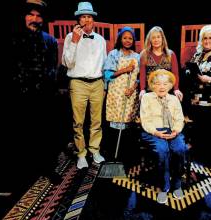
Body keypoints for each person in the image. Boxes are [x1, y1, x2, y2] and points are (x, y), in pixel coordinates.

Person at [11, 0, 60, 185]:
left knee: (45, 134)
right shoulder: (14, 38)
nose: (35, 19)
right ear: (24, 17)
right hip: (20, 95)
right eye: (31, 15)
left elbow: (52, 67)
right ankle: (24, 171)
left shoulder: (50, 40)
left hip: (44, 96)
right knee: (23, 134)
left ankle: (47, 168)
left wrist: (48, 89)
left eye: (38, 16)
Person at [62, 2, 107, 169]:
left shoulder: (101, 40)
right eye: (83, 16)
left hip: (97, 83)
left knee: (96, 121)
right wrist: (74, 41)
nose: (87, 20)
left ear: (93, 20)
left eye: (89, 16)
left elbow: (104, 64)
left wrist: (105, 84)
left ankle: (94, 150)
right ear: (78, 20)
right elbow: (67, 63)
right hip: (78, 83)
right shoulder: (69, 37)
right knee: (78, 121)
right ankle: (81, 153)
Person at [140, 69, 188, 204]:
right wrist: (156, 132)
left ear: (170, 86)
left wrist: (176, 131)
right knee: (162, 151)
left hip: (172, 130)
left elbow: (179, 119)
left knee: (179, 149)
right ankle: (164, 186)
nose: (161, 87)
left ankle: (177, 183)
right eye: (158, 84)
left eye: (165, 84)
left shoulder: (173, 99)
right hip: (153, 131)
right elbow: (145, 120)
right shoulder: (146, 98)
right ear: (152, 85)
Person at [184, 25, 211, 166]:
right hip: (197, 99)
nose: (207, 41)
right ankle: (199, 157)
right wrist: (189, 72)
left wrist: (209, 79)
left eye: (210, 38)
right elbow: (190, 70)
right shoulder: (198, 54)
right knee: (199, 129)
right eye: (205, 38)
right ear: (201, 40)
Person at [103, 26, 140, 163]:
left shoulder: (137, 57)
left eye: (130, 38)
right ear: (120, 39)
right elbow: (107, 74)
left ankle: (127, 155)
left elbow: (139, 77)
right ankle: (114, 154)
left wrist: (133, 88)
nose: (128, 40)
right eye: (125, 38)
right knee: (116, 123)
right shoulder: (114, 54)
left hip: (130, 94)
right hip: (116, 93)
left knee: (128, 125)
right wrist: (125, 69)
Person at [139, 26, 183, 101]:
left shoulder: (170, 54)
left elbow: (175, 74)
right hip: (150, 91)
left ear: (162, 39)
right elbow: (142, 74)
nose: (156, 40)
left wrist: (176, 89)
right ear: (150, 40)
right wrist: (142, 89)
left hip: (166, 91)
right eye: (153, 37)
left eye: (158, 37)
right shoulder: (144, 54)